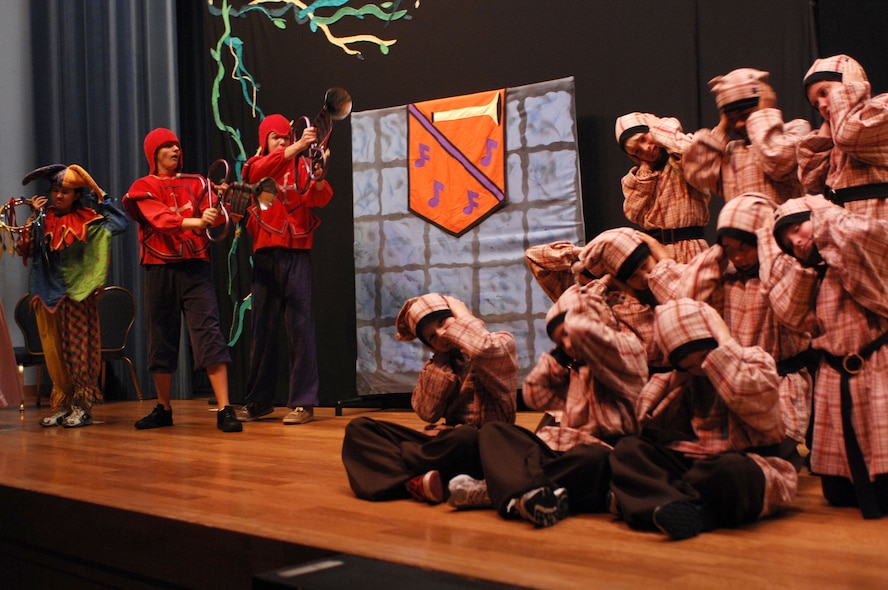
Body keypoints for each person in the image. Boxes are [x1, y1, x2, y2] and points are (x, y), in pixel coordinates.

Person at [609, 298, 798, 540]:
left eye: (704, 357)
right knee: (629, 448)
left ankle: (657, 503)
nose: (701, 367)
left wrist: (723, 345)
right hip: (697, 461)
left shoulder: (753, 359)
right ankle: (684, 508)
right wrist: (675, 380)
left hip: (747, 462)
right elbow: (648, 419)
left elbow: (748, 397)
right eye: (690, 365)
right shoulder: (687, 378)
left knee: (726, 471)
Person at [647, 194, 814, 465]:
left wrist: (769, 255)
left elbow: (793, 311)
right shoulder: (724, 277)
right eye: (728, 248)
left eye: (744, 247)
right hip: (731, 384)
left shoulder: (788, 273)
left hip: (778, 386)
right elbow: (686, 299)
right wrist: (716, 257)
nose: (737, 256)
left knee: (760, 454)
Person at [466, 282, 648, 528]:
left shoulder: (627, 348)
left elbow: (599, 338)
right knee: (494, 431)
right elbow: (535, 395)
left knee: (593, 458)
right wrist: (559, 357)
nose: (568, 345)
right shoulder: (574, 370)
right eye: (561, 341)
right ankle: (531, 494)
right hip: (562, 451)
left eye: (568, 334)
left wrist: (586, 310)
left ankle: (502, 491)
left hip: (601, 451)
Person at [772, 194, 888, 518]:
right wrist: (805, 268)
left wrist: (824, 213)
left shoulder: (861, 252)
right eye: (788, 242)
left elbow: (868, 236)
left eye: (797, 228)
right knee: (837, 492)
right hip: (836, 375)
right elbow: (793, 316)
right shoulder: (813, 276)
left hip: (877, 366)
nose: (796, 241)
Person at [341, 293, 517, 504]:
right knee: (359, 429)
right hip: (445, 444)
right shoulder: (441, 364)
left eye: (442, 322)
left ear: (457, 314)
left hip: (484, 445)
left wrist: (464, 317)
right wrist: (440, 360)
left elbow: (484, 350)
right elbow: (426, 412)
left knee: (465, 436)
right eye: (432, 337)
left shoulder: (501, 342)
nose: (441, 334)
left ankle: (407, 460)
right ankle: (416, 483)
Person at [122, 128, 242, 433]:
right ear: (154, 154)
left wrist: (223, 204)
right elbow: (161, 219)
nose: (175, 150)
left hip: (195, 268)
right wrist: (197, 220)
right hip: (160, 269)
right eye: (167, 146)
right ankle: (163, 407)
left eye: (177, 145)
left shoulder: (198, 182)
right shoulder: (143, 186)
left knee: (209, 333)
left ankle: (225, 408)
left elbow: (216, 217)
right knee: (161, 336)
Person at [234, 114, 333, 425]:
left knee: (301, 328)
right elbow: (257, 173)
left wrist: (318, 177)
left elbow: (319, 198)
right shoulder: (256, 164)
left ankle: (303, 402)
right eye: (276, 137)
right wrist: (298, 146)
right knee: (262, 328)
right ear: (265, 141)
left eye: (287, 137)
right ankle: (259, 401)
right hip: (266, 252)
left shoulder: (301, 165)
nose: (283, 141)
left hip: (296, 252)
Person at [15, 164, 128, 427]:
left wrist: (101, 196)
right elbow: (25, 249)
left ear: (76, 195)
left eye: (65, 192)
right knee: (54, 354)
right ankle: (63, 405)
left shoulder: (88, 219)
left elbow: (119, 223)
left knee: (79, 352)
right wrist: (34, 217)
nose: (58, 196)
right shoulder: (43, 218)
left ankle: (81, 406)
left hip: (77, 294)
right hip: (47, 295)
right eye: (55, 190)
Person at [683, 68, 810, 205]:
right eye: (731, 119)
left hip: (783, 218)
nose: (738, 124)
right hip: (741, 219)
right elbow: (697, 174)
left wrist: (765, 113)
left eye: (744, 115)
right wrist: (722, 127)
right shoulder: (732, 152)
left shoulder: (795, 130)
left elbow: (777, 161)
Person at [797, 54, 888, 220]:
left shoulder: (882, 107)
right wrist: (827, 124)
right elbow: (811, 178)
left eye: (824, 92)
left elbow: (849, 136)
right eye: (816, 104)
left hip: (878, 221)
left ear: (850, 81)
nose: (821, 105)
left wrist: (851, 90)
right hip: (843, 224)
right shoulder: (837, 133)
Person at [615, 112, 710, 262]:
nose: (646, 149)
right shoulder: (635, 180)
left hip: (692, 249)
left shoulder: (680, 160)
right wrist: (645, 175)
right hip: (657, 252)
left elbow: (696, 153)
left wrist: (660, 128)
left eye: (643, 138)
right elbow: (634, 214)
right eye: (637, 151)